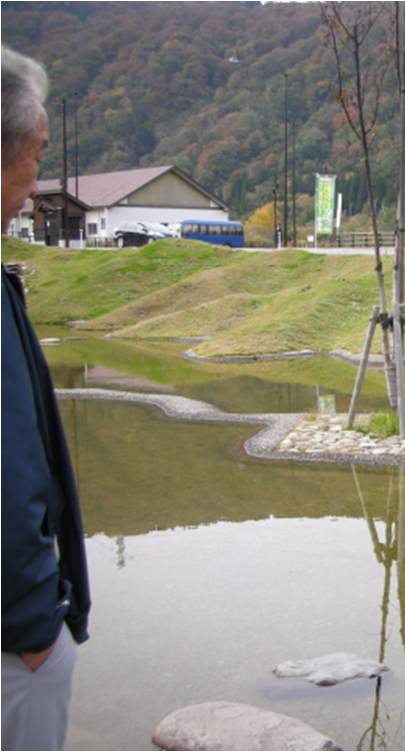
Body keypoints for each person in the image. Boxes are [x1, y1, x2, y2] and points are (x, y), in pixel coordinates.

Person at [2, 43, 91, 752]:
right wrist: (36, 628)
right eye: (34, 160)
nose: (34, 190)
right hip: (14, 644)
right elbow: (10, 475)